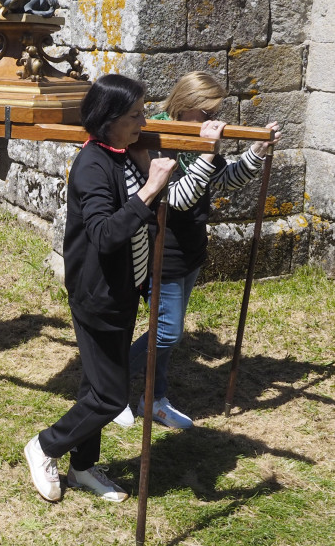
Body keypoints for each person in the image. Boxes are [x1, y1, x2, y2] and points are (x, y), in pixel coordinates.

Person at [24, 74, 176, 504]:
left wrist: (149, 173)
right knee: (111, 398)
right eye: (134, 115)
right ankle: (45, 446)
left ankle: (83, 467)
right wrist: (150, 189)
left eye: (143, 113)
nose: (142, 122)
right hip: (98, 292)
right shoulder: (93, 165)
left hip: (123, 288)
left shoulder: (124, 154)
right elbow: (106, 234)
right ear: (108, 118)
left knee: (95, 386)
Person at [118, 72, 282, 429]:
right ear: (185, 105)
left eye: (214, 113)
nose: (212, 121)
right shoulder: (154, 139)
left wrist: (256, 151)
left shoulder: (196, 140)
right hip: (162, 249)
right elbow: (175, 198)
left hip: (190, 249)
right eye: (205, 113)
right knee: (167, 332)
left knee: (163, 332)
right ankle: (108, 385)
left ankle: (153, 399)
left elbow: (223, 180)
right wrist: (208, 150)